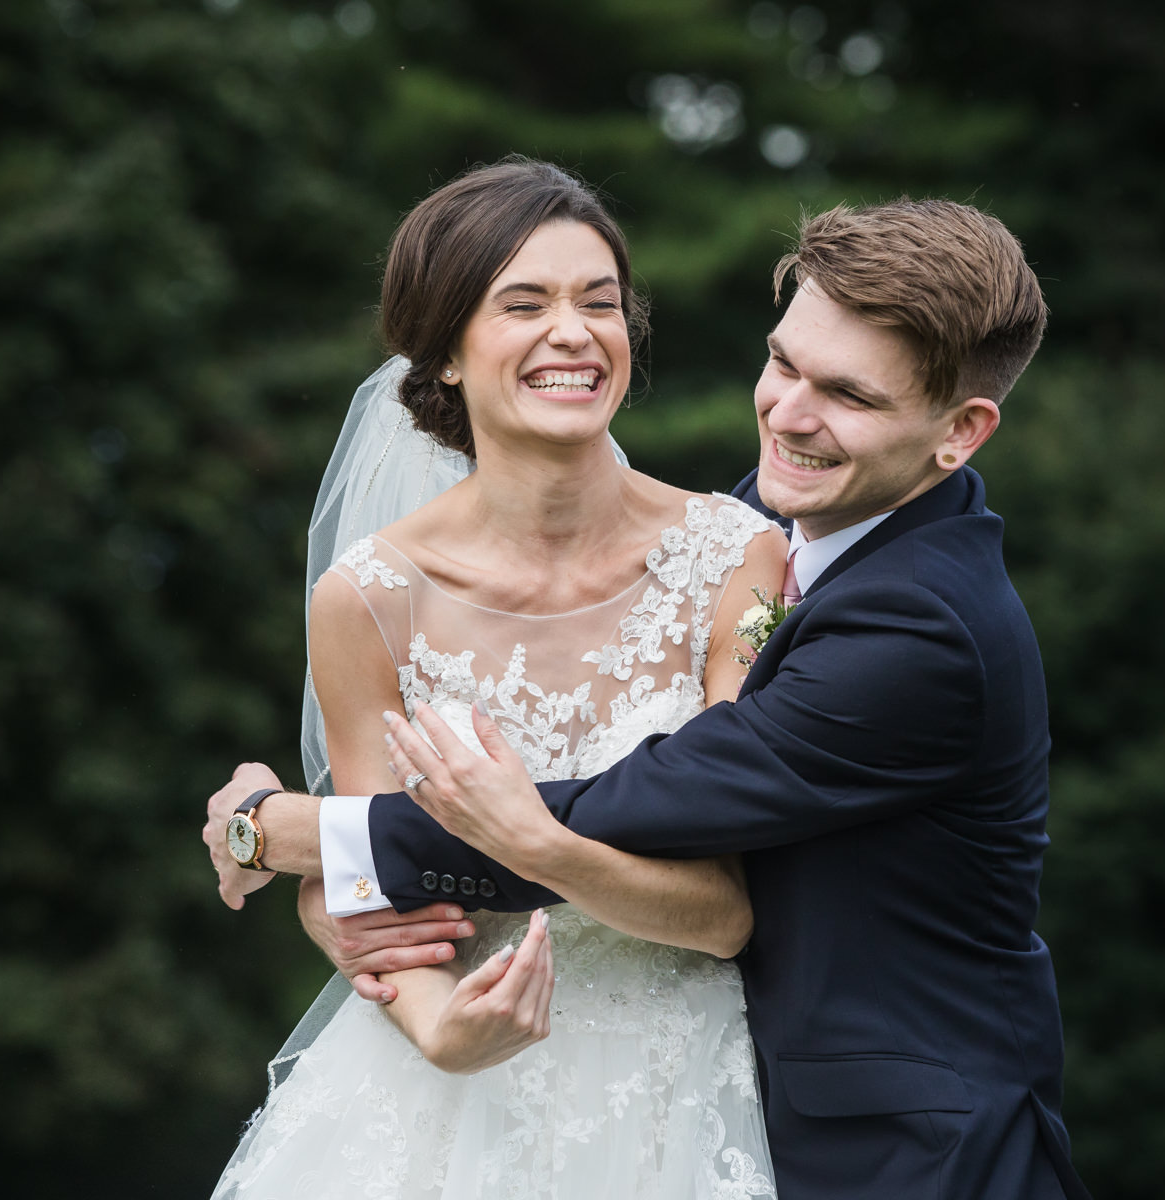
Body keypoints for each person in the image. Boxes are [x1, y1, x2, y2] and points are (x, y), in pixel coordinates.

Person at [208, 197, 1094, 1199]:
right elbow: (383, 916)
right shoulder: (757, 522)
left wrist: (286, 830)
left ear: (960, 433)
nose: (790, 413)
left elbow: (659, 806)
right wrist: (354, 918)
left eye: (845, 393)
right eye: (783, 364)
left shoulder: (921, 631)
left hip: (900, 1152)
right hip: (521, 1098)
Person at [207, 158, 786, 1197]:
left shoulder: (738, 560)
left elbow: (725, 908)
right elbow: (371, 891)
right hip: (439, 1098)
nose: (574, 332)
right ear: (445, 354)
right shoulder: (368, 597)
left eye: (598, 303)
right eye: (524, 303)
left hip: (673, 1081)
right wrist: (440, 1030)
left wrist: (526, 840)